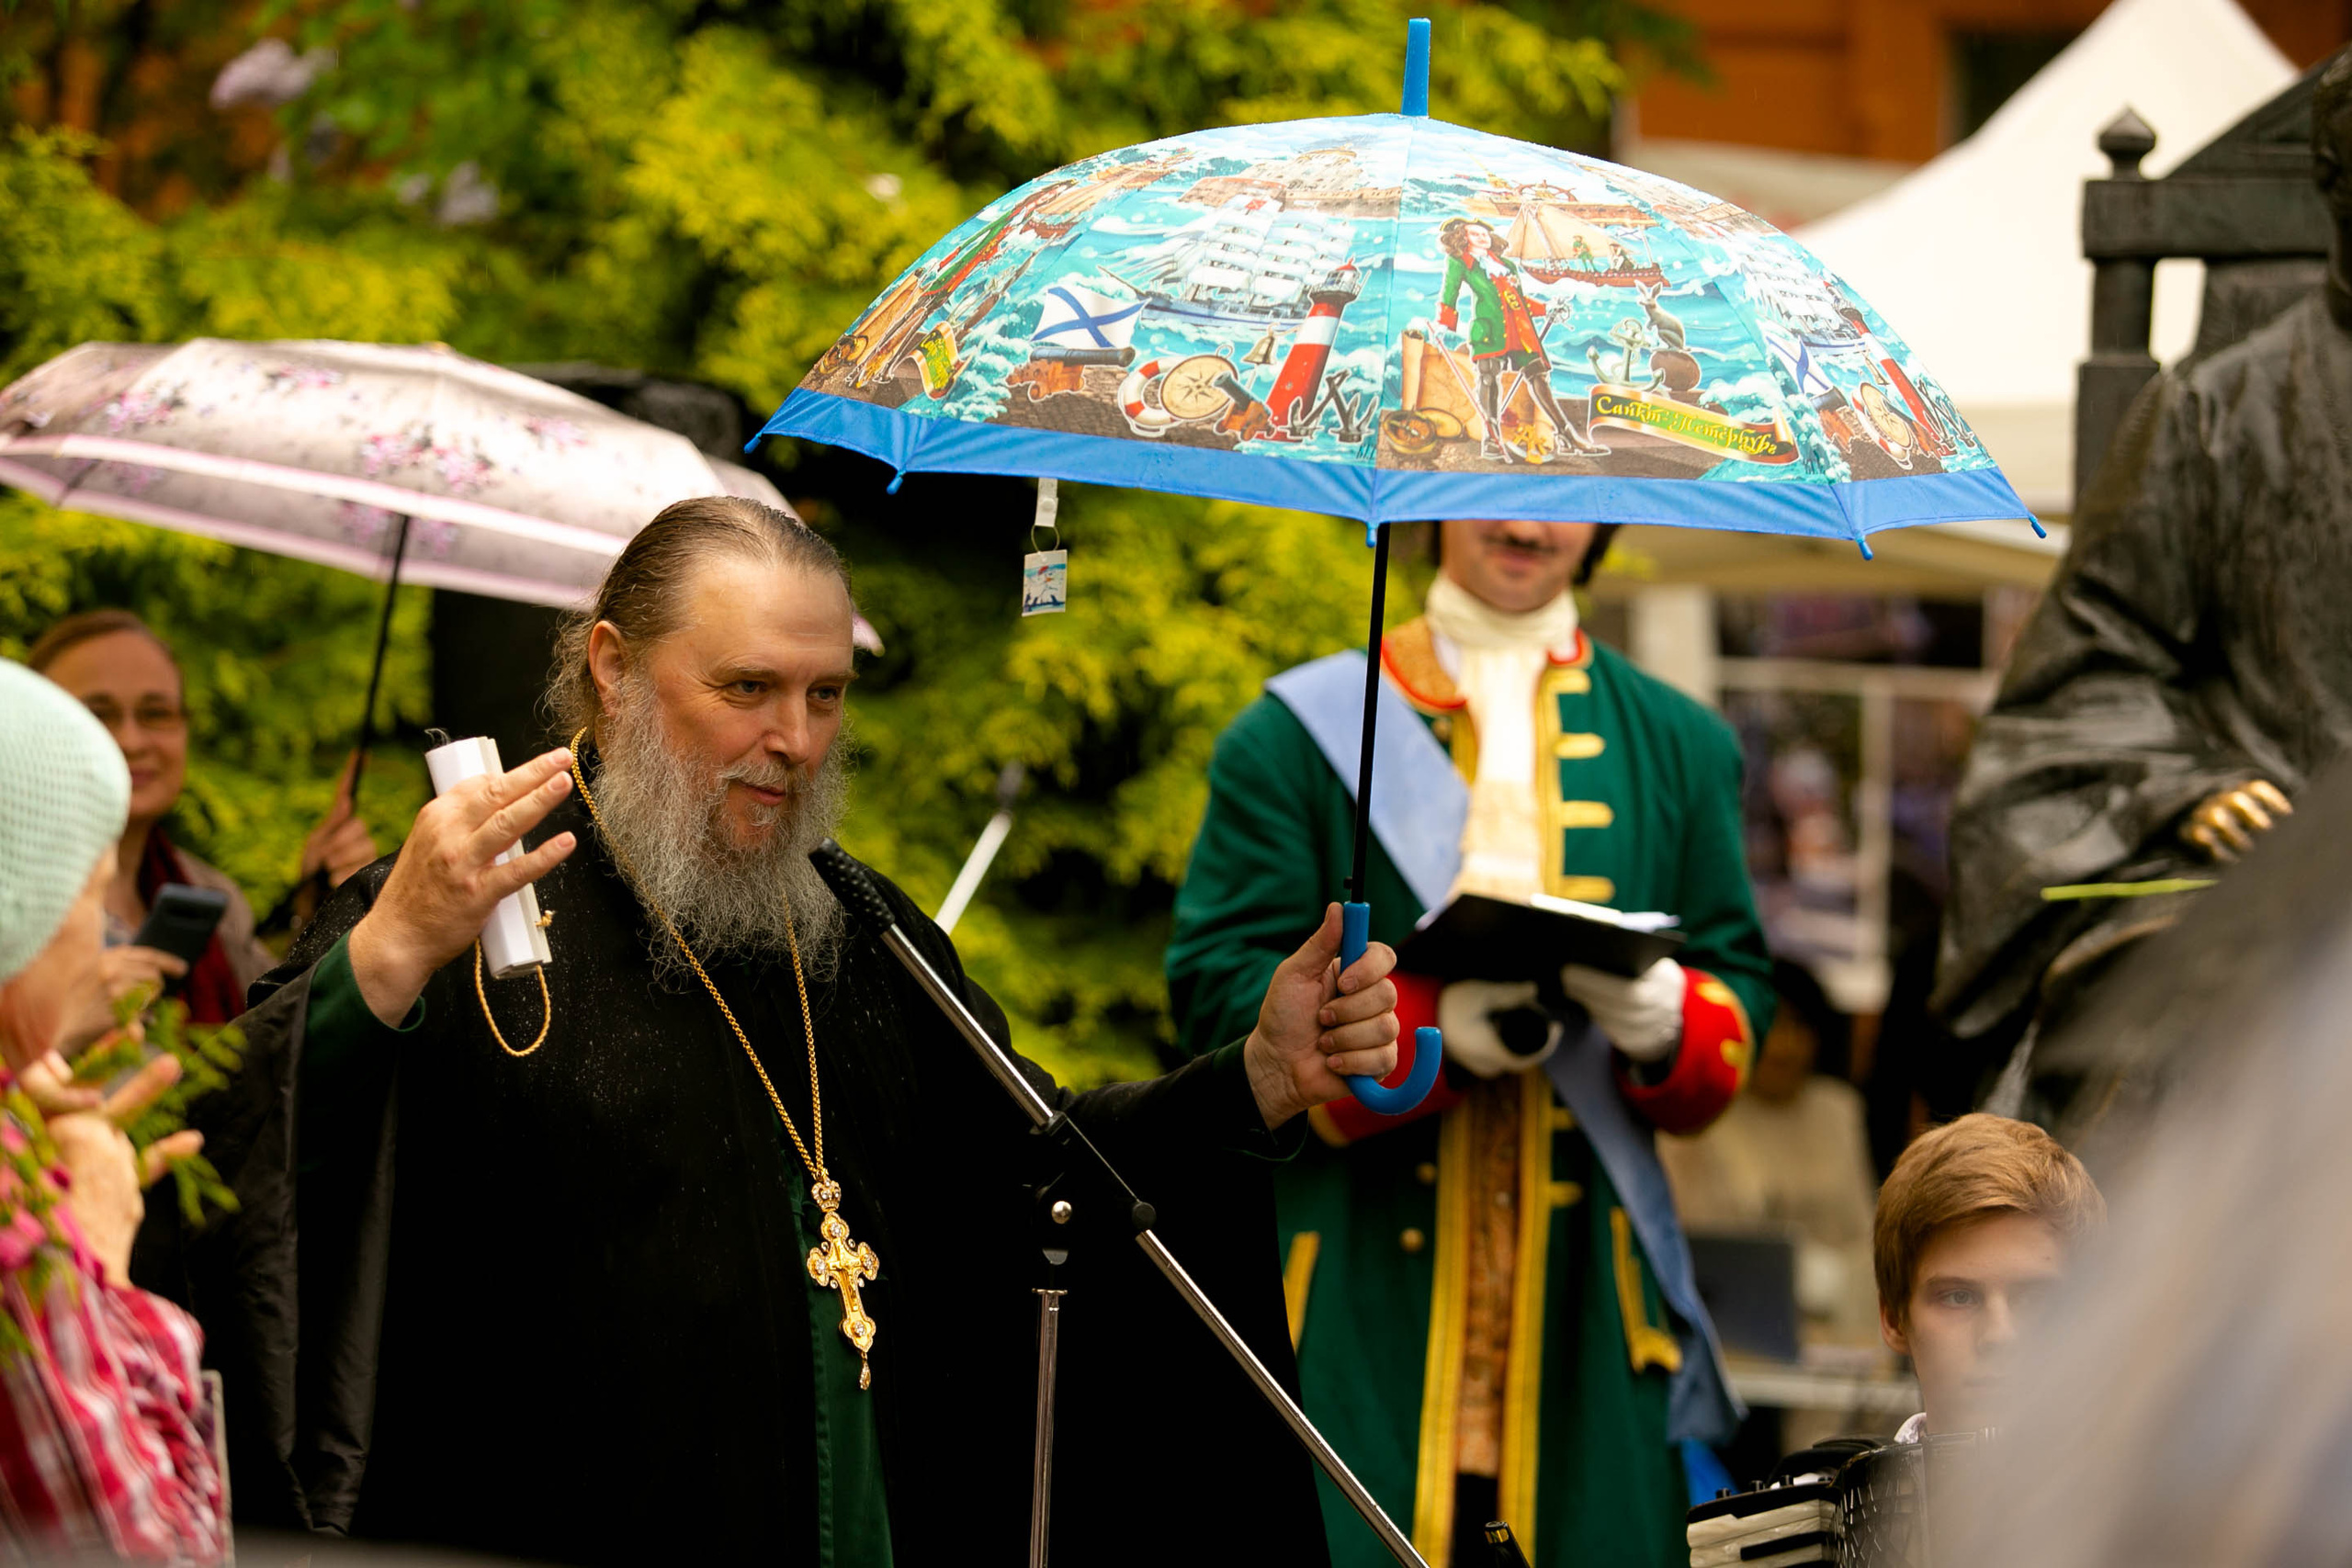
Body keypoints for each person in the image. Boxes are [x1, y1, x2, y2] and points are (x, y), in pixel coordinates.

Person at [213, 496, 1398, 1565]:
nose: (796, 736)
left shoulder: (853, 922)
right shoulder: (466, 900)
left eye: (824, 693)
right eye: (748, 688)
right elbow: (244, 1171)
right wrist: (382, 957)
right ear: (615, 670)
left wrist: (1254, 1077)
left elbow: (1040, 1176)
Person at [1167, 517, 1773, 1568]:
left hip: (1589, 1313)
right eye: (1493, 488)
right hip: (1352, 1294)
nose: (1526, 524)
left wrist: (1676, 1021)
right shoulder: (1296, 733)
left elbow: (1742, 983)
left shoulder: (1682, 742)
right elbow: (1216, 993)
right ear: (1428, 497)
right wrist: (1430, 1028)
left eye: (1559, 494)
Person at [1936, 53, 2352, 1116]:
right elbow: (2078, 681)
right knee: (2163, 1054)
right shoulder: (2210, 415)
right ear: (2334, 181)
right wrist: (2179, 788)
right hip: (2259, 879)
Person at [0, 659, 225, 1562]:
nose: (97, 938)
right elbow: (160, 1551)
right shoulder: (22, 1230)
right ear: (20, 911)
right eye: (90, 897)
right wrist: (97, 1261)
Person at [28, 609, 377, 1028]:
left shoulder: (211, 899)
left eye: (156, 713)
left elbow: (275, 1040)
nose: (131, 740)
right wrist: (65, 1031)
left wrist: (321, 911)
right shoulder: (14, 902)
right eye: (97, 713)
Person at [1659, 961, 1879, 1351]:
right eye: (1774, 1025)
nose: (1786, 1045)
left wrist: (1835, 1281)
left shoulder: (1838, 1111)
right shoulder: (1705, 1111)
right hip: (1729, 1335)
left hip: (1837, 1334)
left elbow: (1867, 1230)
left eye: (1800, 1028)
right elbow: (1687, 1239)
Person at [1871, 1113, 2103, 1442]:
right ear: (1894, 1319)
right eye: (1958, 1297)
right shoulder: (1818, 1495)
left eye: (2035, 1299)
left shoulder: (2168, 1494)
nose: (1999, 1336)